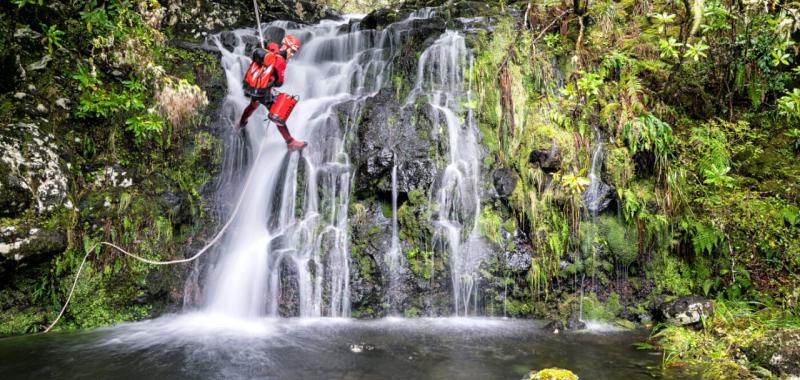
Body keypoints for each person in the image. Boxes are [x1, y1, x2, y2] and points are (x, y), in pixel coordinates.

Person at [238, 35, 307, 151]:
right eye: (292, 51)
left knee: (252, 105)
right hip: (263, 92)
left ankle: (240, 124)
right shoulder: (281, 61)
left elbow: (270, 44)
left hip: (253, 87)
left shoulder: (271, 51)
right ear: (286, 47)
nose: (293, 55)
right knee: (278, 115)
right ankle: (290, 142)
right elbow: (280, 83)